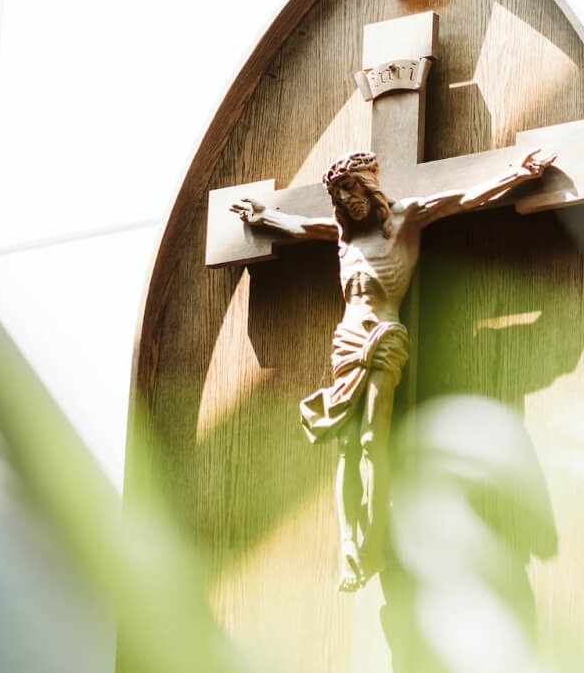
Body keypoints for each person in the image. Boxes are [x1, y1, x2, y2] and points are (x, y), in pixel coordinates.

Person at [230, 148, 554, 591]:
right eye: (339, 195)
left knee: (370, 439)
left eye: (351, 189)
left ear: (370, 186)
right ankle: (347, 541)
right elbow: (298, 225)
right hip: (346, 339)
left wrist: (518, 173)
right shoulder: (343, 236)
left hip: (384, 333)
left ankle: (374, 541)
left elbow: (466, 198)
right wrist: (262, 215)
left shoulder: (406, 219)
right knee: (345, 445)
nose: (346, 201)